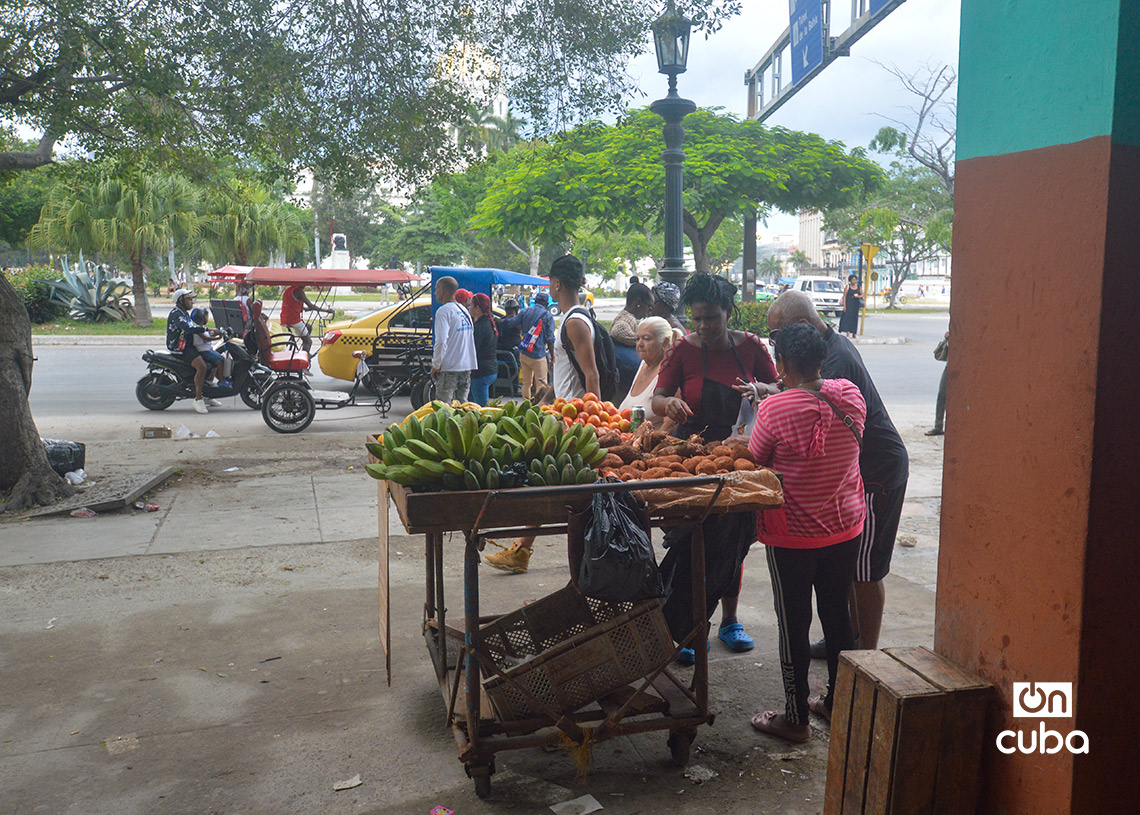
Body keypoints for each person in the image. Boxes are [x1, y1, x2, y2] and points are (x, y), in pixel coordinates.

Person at [766, 290, 909, 655]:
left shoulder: (836, 360)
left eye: (776, 337)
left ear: (799, 327)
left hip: (877, 473)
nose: (775, 347)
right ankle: (845, 642)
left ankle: (866, 659)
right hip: (857, 473)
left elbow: (809, 412)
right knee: (846, 574)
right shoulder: (829, 346)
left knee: (864, 571)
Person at [747, 322, 867, 742]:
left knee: (793, 624)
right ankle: (838, 705)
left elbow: (755, 458)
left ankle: (795, 718)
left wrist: (771, 399)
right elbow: (816, 407)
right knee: (838, 616)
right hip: (846, 528)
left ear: (781, 364)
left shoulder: (774, 410)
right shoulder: (850, 395)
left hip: (793, 537)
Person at [652, 273, 779, 657]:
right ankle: (691, 626)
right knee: (692, 540)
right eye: (698, 319)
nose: (704, 327)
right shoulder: (682, 351)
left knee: (734, 542)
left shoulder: (752, 348)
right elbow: (656, 399)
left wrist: (761, 390)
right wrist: (668, 404)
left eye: (712, 318)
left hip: (740, 456)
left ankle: (729, 620)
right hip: (692, 458)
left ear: (728, 311)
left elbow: (783, 388)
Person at [484, 256, 600, 574]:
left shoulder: (575, 321)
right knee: (548, 482)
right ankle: (522, 550)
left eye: (550, 281)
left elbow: (592, 375)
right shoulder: (570, 317)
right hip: (562, 412)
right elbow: (568, 373)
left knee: (553, 485)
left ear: (557, 284)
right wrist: (545, 398)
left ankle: (529, 551)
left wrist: (595, 420)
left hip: (575, 421)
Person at [617, 316, 680, 431]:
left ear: (665, 342)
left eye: (646, 338)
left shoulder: (670, 371)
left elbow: (669, 425)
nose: (640, 344)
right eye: (637, 338)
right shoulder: (643, 364)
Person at [166, 289, 218, 414]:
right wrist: (208, 328)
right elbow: (189, 328)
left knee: (213, 361)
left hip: (188, 346)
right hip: (180, 349)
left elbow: (195, 329)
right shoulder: (176, 314)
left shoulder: (184, 313)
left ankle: (207, 394)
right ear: (180, 301)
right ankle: (198, 399)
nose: (191, 303)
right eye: (189, 300)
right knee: (202, 366)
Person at [431, 276, 477, 404]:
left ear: (444, 290)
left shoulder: (444, 311)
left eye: (436, 289)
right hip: (466, 366)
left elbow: (441, 341)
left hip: (450, 367)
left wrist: (436, 364)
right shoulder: (463, 310)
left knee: (443, 407)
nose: (435, 293)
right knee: (462, 406)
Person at [610, 282, 654, 402]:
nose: (649, 312)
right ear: (638, 302)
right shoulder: (628, 318)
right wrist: (642, 340)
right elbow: (618, 330)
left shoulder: (628, 317)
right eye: (649, 307)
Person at [515, 291, 555, 400]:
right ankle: (539, 407)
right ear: (544, 303)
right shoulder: (547, 316)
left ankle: (526, 405)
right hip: (538, 356)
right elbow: (550, 339)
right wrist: (553, 356)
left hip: (524, 354)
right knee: (541, 383)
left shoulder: (525, 312)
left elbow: (514, 322)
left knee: (527, 383)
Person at [279, 284, 333, 361]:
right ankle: (303, 360)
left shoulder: (290, 290)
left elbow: (292, 303)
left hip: (286, 318)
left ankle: (305, 349)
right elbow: (311, 305)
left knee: (309, 327)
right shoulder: (299, 292)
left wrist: (304, 308)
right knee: (309, 341)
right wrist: (326, 310)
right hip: (293, 320)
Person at [468, 293, 499, 406]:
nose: (469, 308)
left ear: (477, 308)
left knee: (482, 409)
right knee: (472, 405)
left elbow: (473, 349)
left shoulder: (480, 327)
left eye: (471, 305)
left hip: (481, 372)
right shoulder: (489, 323)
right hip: (490, 369)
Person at [190, 307, 226, 387]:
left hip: (207, 350)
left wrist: (217, 333)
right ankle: (221, 380)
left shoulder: (202, 328)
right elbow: (206, 338)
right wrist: (218, 338)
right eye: (206, 316)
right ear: (202, 318)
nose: (207, 318)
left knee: (216, 363)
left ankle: (210, 381)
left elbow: (209, 334)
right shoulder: (197, 329)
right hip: (203, 351)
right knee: (220, 360)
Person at [926, 331, 950, 436]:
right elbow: (938, 354)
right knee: (942, 396)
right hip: (949, 366)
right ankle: (938, 426)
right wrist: (947, 338)